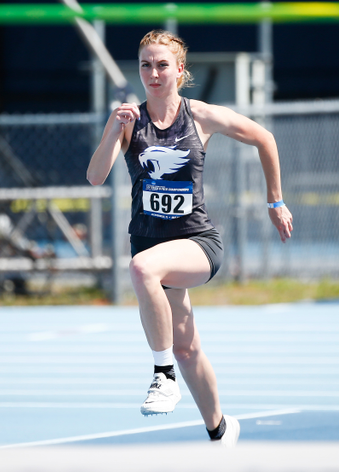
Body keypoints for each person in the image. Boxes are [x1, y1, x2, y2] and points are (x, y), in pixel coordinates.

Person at [87, 29, 293, 446]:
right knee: (186, 347)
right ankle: (220, 427)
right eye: (145, 65)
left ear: (180, 70)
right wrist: (113, 127)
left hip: (196, 243)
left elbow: (264, 139)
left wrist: (276, 202)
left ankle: (163, 377)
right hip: (149, 241)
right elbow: (95, 177)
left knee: (142, 268)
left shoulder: (199, 116)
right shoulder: (129, 121)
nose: (153, 73)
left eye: (162, 65)